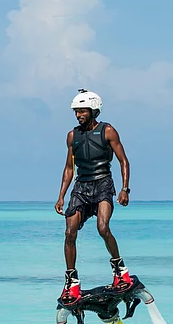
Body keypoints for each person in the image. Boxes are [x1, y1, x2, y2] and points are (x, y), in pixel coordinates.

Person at [55, 89, 133, 304]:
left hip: (103, 185)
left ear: (93, 110)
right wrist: (61, 196)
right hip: (81, 187)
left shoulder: (107, 131)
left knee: (103, 228)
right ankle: (71, 281)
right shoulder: (72, 136)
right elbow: (69, 168)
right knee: (69, 232)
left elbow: (123, 161)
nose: (78, 115)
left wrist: (125, 189)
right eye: (76, 111)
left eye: (82, 111)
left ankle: (120, 271)